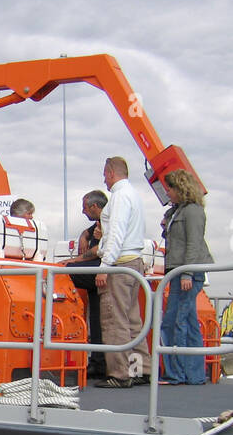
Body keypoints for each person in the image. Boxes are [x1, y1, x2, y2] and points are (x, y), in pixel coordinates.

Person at [158, 170, 215, 385]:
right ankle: (194, 374)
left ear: (179, 188)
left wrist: (188, 272)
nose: (168, 193)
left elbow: (193, 243)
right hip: (181, 270)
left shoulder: (192, 212)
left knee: (174, 322)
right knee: (189, 325)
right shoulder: (179, 211)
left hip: (185, 272)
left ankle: (177, 373)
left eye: (170, 189)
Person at [94, 157, 147, 388]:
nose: (104, 179)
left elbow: (116, 232)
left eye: (105, 174)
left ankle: (119, 374)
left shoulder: (119, 197)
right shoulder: (133, 194)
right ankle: (140, 369)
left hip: (119, 265)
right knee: (133, 320)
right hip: (134, 264)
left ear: (110, 172)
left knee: (114, 320)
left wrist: (104, 266)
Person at [67, 190, 108, 378]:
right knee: (96, 319)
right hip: (99, 275)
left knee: (66, 273)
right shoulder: (100, 223)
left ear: (94, 206)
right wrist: (85, 235)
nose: (83, 212)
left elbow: (102, 248)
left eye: (85, 208)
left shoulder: (109, 221)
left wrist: (75, 261)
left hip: (103, 272)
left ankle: (102, 363)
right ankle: (98, 362)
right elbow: (90, 231)